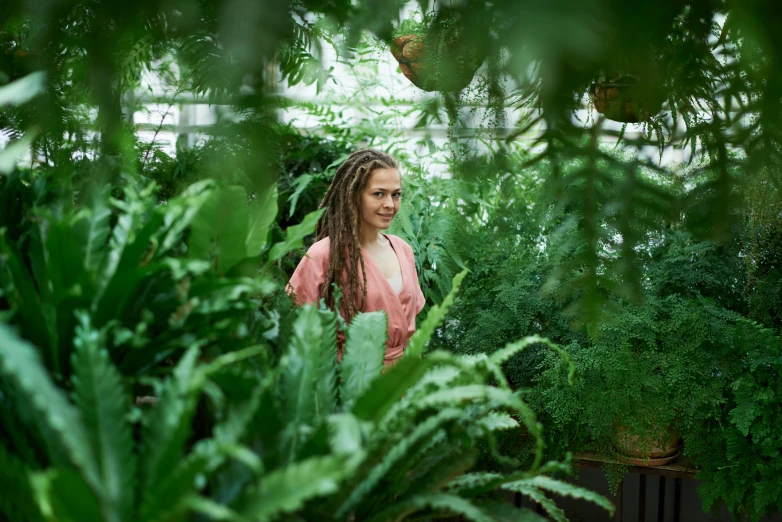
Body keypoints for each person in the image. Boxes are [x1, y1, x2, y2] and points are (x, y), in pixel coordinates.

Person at [287, 149, 425, 367]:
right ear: (354, 195)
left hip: (402, 384)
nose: (390, 204)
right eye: (378, 194)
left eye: (395, 194)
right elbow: (294, 327)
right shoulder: (324, 255)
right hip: (352, 384)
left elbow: (411, 335)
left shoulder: (403, 249)